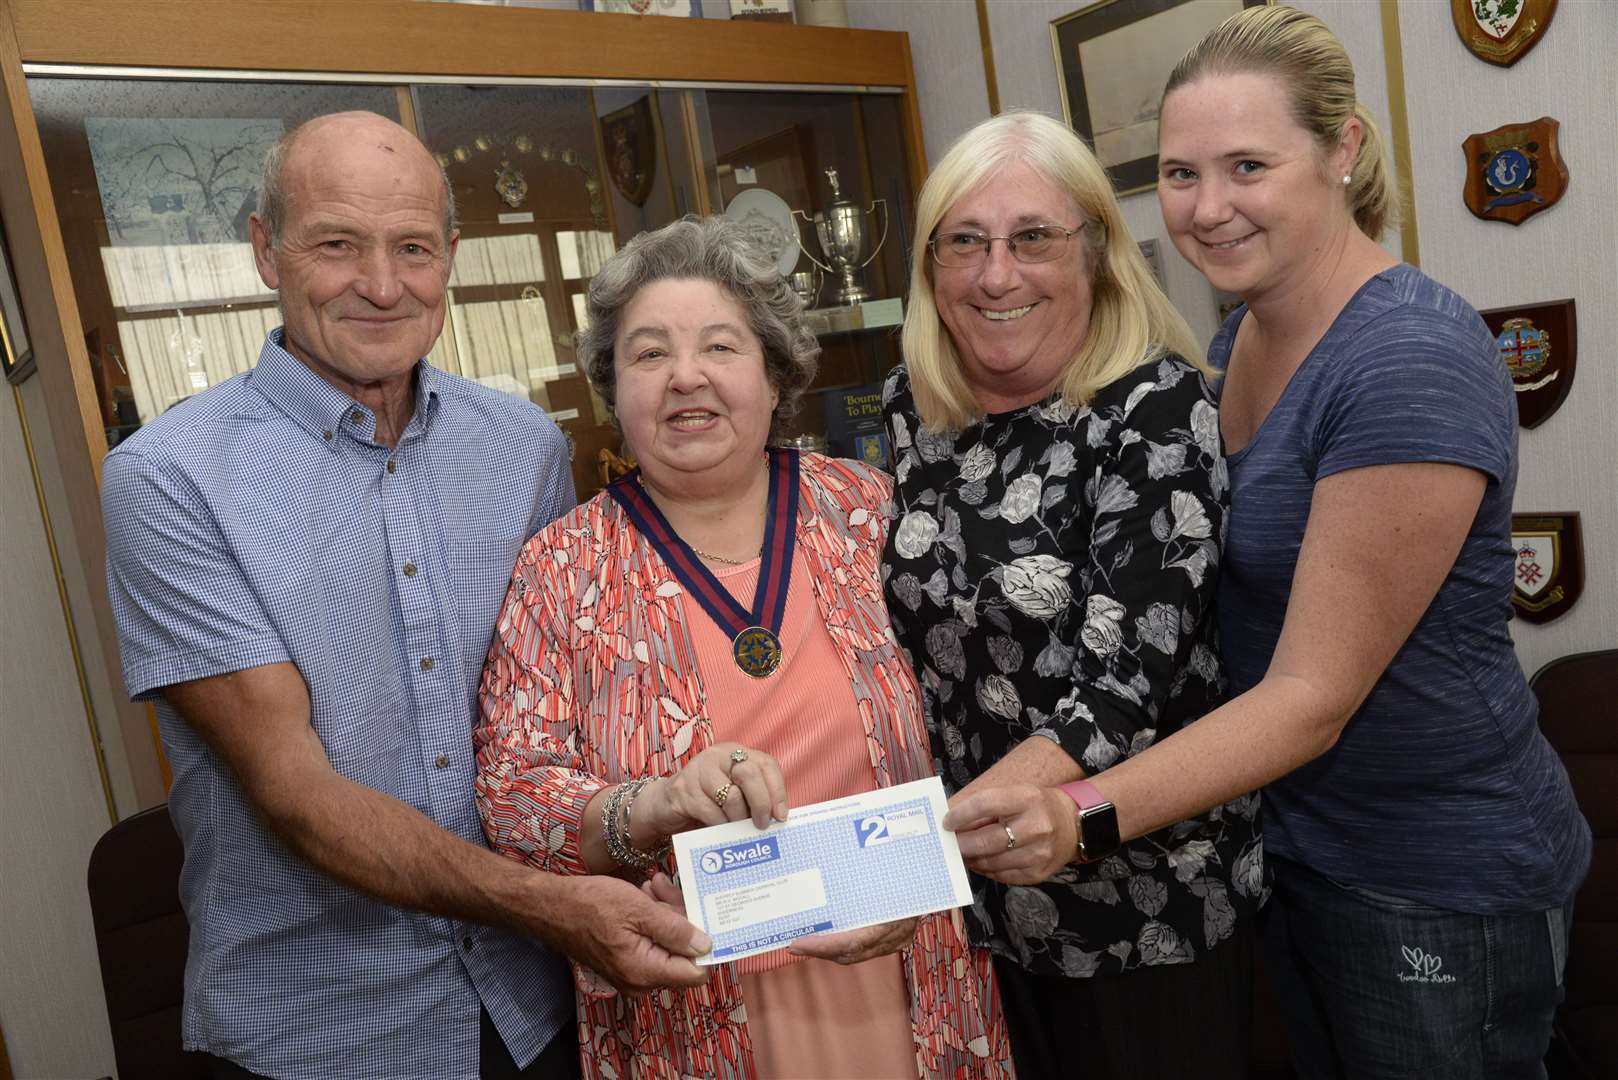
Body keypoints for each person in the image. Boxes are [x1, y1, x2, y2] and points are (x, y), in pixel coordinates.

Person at [987, 6, 1586, 1077]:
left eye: (1246, 166)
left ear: (1341, 149)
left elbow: (1312, 695)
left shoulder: (1405, 357)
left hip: (1430, 879)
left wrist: (1078, 816)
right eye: (1179, 174)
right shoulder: (1247, 329)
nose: (1207, 209)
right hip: (1299, 848)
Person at [101, 111, 711, 1080]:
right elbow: (297, 796)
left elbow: (561, 733)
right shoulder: (168, 481)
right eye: (337, 244)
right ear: (266, 249)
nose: (382, 285)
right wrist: (552, 906)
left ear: (452, 257)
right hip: (323, 1032)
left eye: (413, 248)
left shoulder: (523, 449)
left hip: (541, 1005)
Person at [474, 215, 1011, 1079]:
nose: (686, 376)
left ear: (775, 374)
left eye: (720, 347)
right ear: (614, 386)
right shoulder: (560, 568)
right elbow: (513, 797)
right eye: (648, 354)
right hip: (687, 1009)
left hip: (909, 971)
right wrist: (651, 807)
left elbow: (981, 713)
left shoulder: (872, 513)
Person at [881, 110, 1263, 1079]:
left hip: (1147, 920)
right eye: (963, 241)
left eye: (1033, 239)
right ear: (930, 267)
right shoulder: (911, 413)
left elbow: (1118, 692)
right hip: (986, 927)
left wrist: (892, 863)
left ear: (1095, 253)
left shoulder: (1157, 410)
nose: (995, 274)